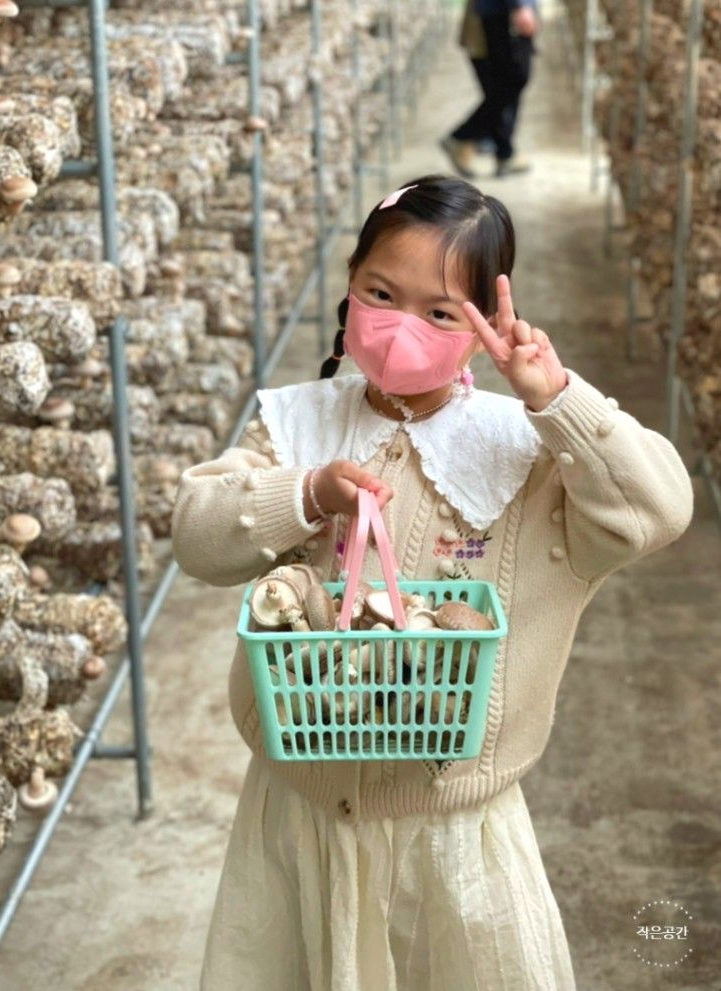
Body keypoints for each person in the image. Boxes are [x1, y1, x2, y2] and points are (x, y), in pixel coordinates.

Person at [172, 175, 694, 990]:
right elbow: (197, 536)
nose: (400, 326)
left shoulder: (522, 453)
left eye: (440, 311)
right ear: (348, 290)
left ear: (485, 324)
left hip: (450, 831)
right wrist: (305, 495)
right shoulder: (296, 423)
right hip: (298, 808)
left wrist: (556, 400)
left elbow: (657, 510)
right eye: (380, 293)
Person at [441, 0, 539, 178]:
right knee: (513, 78)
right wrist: (521, 4)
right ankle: (462, 136)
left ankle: (504, 152)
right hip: (501, 10)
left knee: (504, 81)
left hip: (497, 9)